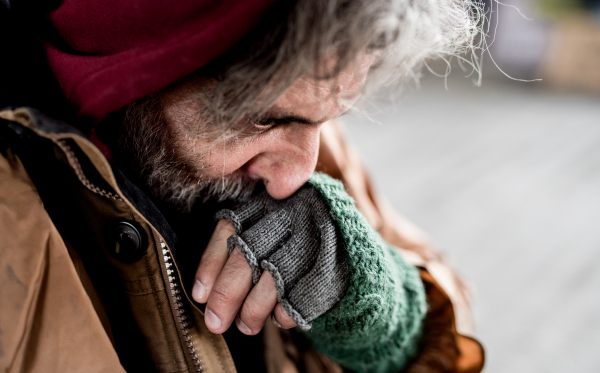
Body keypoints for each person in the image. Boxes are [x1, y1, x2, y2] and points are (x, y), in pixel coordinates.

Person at [0, 0, 485, 372]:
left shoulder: (305, 137)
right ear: (137, 69)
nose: (298, 175)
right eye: (263, 121)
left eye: (331, 119)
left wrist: (379, 313)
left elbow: (452, 318)